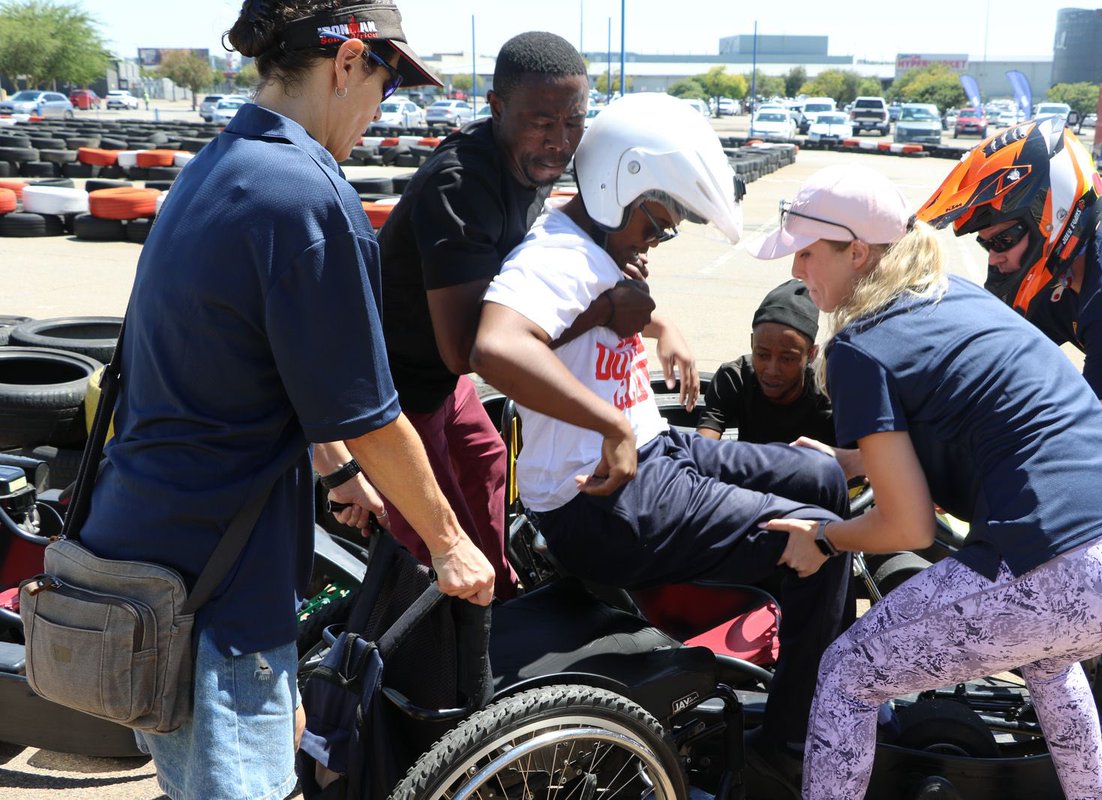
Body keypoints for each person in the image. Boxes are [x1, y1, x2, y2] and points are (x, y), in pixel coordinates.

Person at [78, 3, 494, 799]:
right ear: (346, 65)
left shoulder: (215, 165)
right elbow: (369, 412)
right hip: (220, 597)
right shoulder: (307, 193)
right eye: (387, 81)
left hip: (142, 566)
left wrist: (336, 471)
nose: (383, 110)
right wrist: (450, 543)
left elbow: (261, 364)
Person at [751, 162, 1102, 800]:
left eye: (808, 253)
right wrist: (856, 460)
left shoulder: (858, 347)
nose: (795, 270)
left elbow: (908, 526)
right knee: (1047, 657)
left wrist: (824, 537)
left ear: (860, 252)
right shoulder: (954, 293)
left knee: (847, 671)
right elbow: (985, 417)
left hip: (1072, 565)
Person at [471, 94, 853, 800]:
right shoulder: (555, 255)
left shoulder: (595, 249)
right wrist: (612, 426)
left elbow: (598, 315)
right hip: (608, 503)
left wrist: (660, 325)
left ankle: (805, 671)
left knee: (824, 480)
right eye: (656, 222)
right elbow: (494, 346)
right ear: (621, 182)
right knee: (824, 543)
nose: (655, 240)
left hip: (659, 457)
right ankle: (790, 747)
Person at [921, 117, 1102, 800]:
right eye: (986, 242)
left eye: (1007, 238)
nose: (998, 257)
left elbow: (1092, 465)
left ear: (1059, 216)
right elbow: (983, 361)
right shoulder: (1061, 268)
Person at [373, 31, 652, 600]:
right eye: (542, 122)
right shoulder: (461, 185)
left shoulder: (527, 168)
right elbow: (470, 347)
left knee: (489, 459)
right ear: (497, 108)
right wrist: (605, 310)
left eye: (573, 123)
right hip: (391, 389)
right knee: (437, 538)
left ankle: (500, 595)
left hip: (440, 380)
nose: (559, 142)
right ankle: (448, 650)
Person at [697, 279, 835, 445]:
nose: (772, 369)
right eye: (762, 355)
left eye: (787, 359)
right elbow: (702, 448)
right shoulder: (735, 378)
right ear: (752, 343)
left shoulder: (831, 390)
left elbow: (863, 461)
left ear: (811, 354)